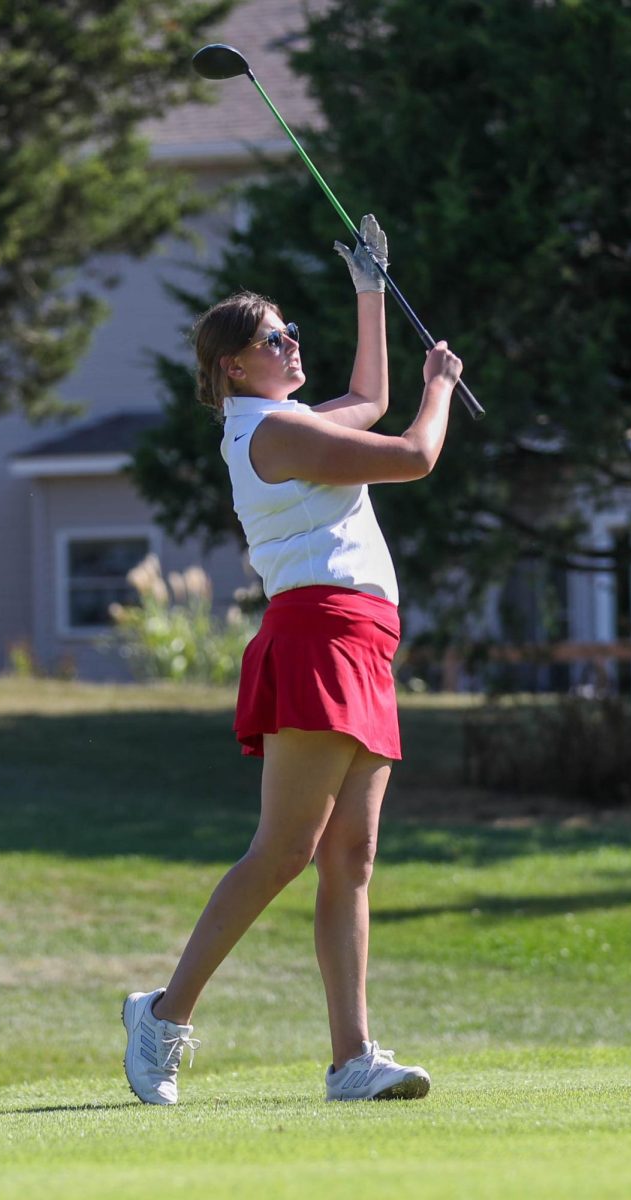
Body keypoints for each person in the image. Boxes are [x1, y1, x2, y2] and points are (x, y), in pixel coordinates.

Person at [122, 214, 464, 1105]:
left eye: (291, 331)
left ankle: (353, 1060)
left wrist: (368, 292)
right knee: (284, 848)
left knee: (350, 855)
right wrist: (442, 386)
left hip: (362, 637)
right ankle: (163, 1015)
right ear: (236, 364)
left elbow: (367, 398)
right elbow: (414, 452)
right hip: (316, 632)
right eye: (277, 337)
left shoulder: (291, 419)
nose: (291, 342)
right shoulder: (269, 436)